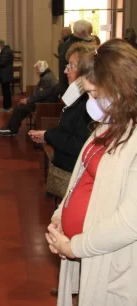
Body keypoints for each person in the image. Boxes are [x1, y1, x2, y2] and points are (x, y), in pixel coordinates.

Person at [46, 39, 137, 306]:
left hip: (116, 264)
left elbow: (129, 222)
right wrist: (60, 217)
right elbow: (81, 178)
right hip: (89, 251)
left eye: (94, 95)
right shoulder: (109, 124)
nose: (90, 103)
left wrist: (74, 246)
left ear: (119, 88)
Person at [28, 43, 94, 173]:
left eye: (71, 65)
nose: (65, 71)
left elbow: (78, 145)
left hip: (75, 170)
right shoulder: (77, 95)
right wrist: (47, 134)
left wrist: (49, 135)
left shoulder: (89, 103)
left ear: (86, 68)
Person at [0, 60, 59, 137]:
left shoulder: (47, 78)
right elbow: (40, 94)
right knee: (21, 105)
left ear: (42, 69)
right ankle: (9, 127)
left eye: (37, 70)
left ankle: (11, 129)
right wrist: (28, 99)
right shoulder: (48, 75)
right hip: (43, 102)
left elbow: (40, 95)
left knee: (20, 106)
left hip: (44, 105)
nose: (36, 72)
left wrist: (28, 100)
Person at [59, 20, 93, 95]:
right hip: (76, 89)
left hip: (68, 88)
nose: (91, 36)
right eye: (90, 33)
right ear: (85, 33)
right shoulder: (80, 49)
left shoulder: (66, 43)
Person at [0, 39, 14, 113]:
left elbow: (2, 63)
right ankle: (7, 107)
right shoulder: (5, 51)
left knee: (6, 92)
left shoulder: (6, 51)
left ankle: (7, 107)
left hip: (6, 74)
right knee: (5, 91)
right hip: (4, 74)